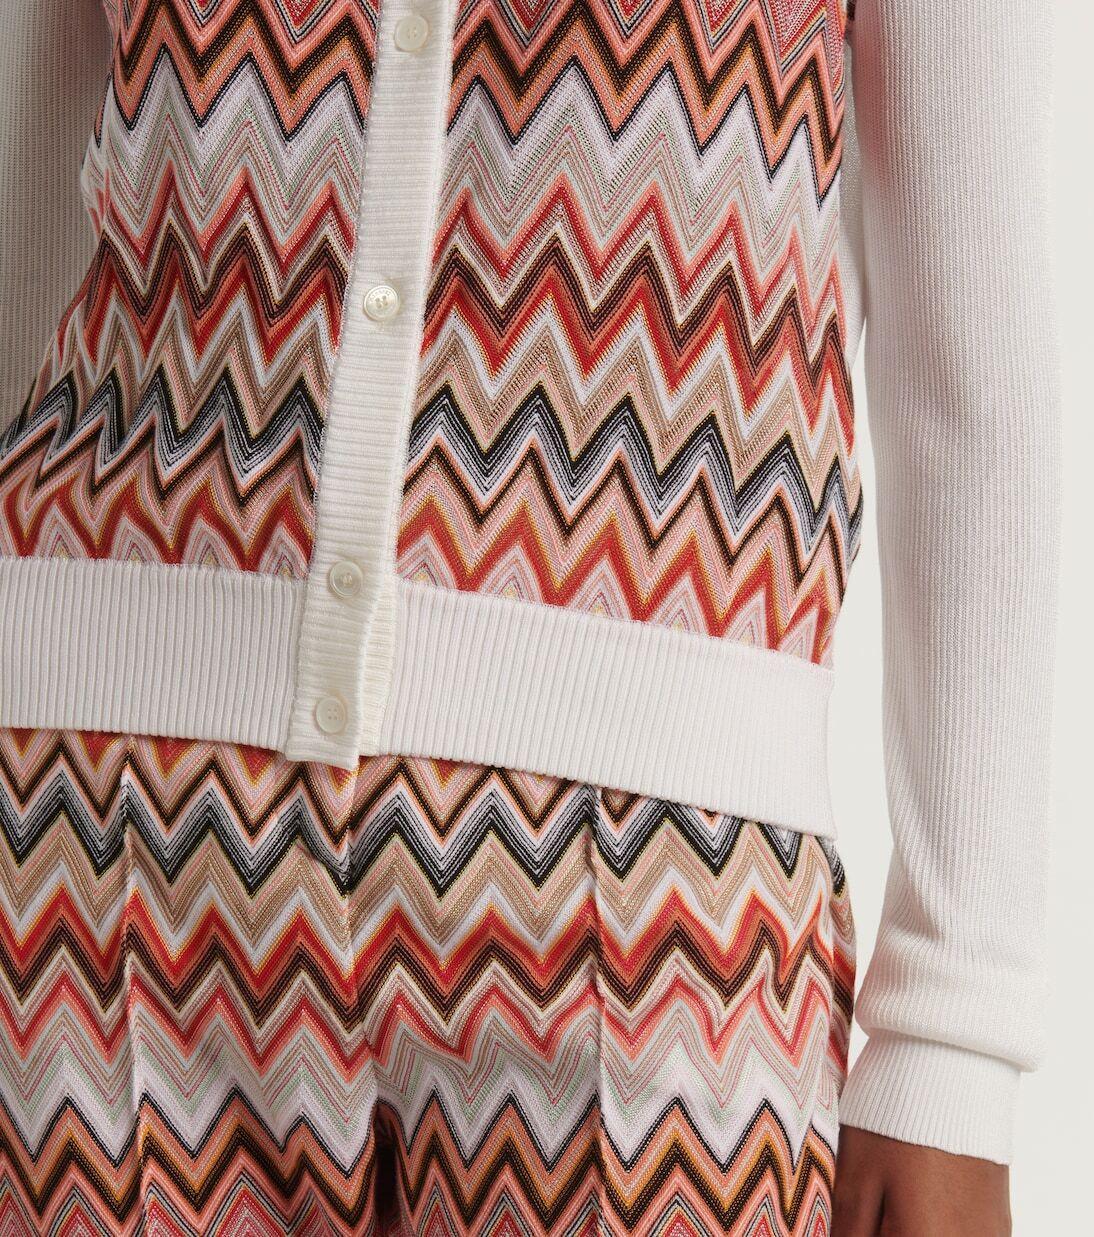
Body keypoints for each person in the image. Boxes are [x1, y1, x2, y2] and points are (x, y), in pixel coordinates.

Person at [0, 1, 1059, 1233]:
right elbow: (29, 172)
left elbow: (969, 371)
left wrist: (948, 1038)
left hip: (659, 896)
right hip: (84, 837)